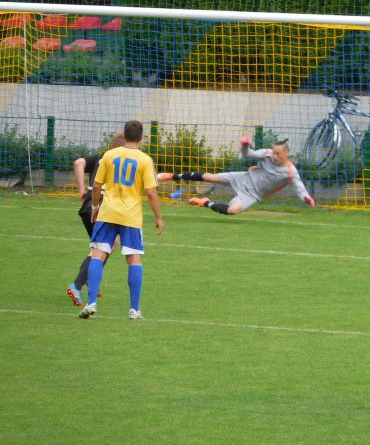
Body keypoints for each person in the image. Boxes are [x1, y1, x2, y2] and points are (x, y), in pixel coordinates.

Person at [79, 119, 164, 320]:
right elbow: (151, 193)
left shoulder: (109, 155)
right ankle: (134, 310)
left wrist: (95, 207)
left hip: (108, 213)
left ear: (124, 136)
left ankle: (91, 303)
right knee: (134, 260)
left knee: (97, 255)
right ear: (142, 138)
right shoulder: (145, 160)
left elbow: (97, 186)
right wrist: (159, 217)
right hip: (131, 216)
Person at [157, 137, 315, 214]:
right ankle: (171, 176)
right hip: (243, 178)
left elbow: (300, 189)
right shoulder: (266, 154)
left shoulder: (290, 172)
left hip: (252, 194)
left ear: (287, 153)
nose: (274, 156)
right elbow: (248, 155)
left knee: (232, 210)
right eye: (274, 152)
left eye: (278, 154)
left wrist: (307, 198)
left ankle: (204, 202)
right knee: (209, 177)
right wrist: (245, 146)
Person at [66, 131, 126, 306]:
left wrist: (82, 189)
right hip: (100, 210)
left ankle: (91, 280)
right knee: (102, 248)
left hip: (88, 207)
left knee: (105, 245)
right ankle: (77, 285)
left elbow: (78, 163)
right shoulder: (119, 163)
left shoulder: (100, 158)